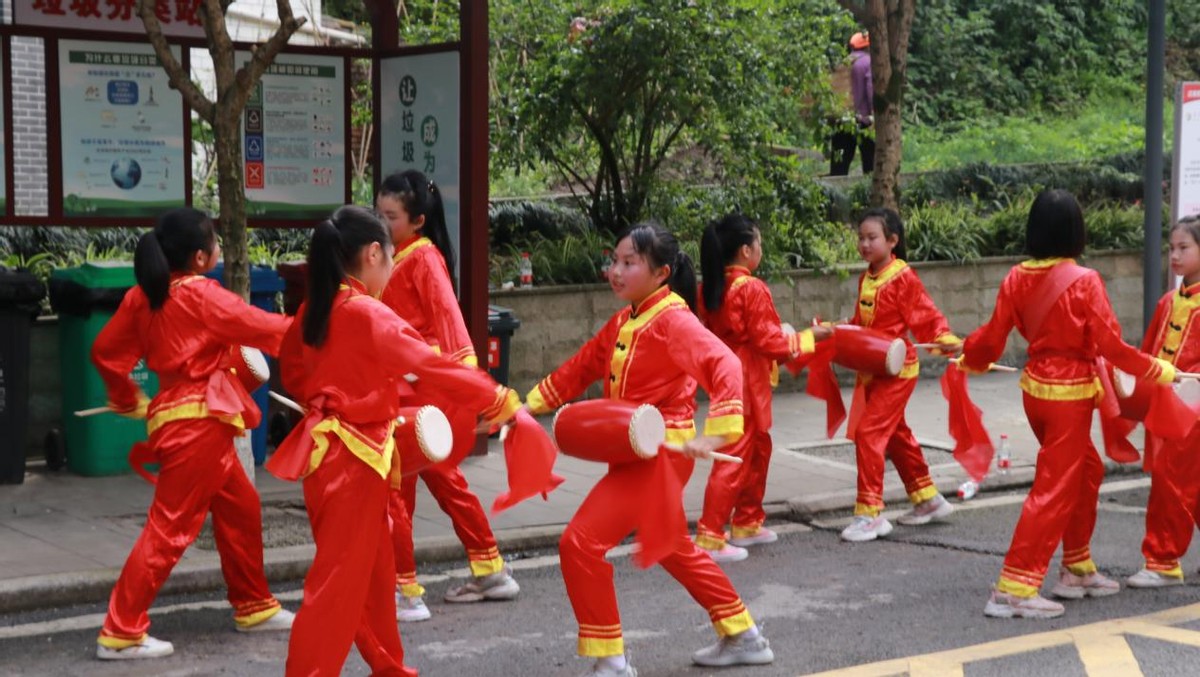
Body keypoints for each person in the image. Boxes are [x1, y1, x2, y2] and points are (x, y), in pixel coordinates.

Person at [267, 206, 520, 675]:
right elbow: (433, 365)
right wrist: (500, 398)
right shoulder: (366, 312)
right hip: (353, 466)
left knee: (375, 581)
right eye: (389, 258)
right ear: (372, 253)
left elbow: (296, 373)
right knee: (337, 591)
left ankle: (390, 669)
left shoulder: (315, 310)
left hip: (339, 460)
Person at [525, 222, 775, 676]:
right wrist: (525, 408)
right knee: (673, 546)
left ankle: (612, 662)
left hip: (660, 457)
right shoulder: (628, 318)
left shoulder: (673, 320)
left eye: (628, 263)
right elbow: (581, 367)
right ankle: (743, 633)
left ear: (660, 273)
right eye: (614, 260)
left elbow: (725, 364)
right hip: (636, 453)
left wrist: (716, 432)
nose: (615, 271)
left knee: (579, 544)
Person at [961, 189, 1177, 619]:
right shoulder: (1084, 280)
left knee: (1086, 472)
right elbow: (1109, 343)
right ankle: (1015, 587)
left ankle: (1076, 567)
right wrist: (1156, 369)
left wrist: (971, 356)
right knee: (1055, 486)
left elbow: (992, 335)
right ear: (1076, 230)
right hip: (1069, 397)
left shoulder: (1015, 277)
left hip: (1035, 392)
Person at [91, 208, 294, 660]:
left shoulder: (142, 298)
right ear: (201, 257)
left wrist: (125, 398)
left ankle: (254, 604)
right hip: (200, 426)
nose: (220, 249)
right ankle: (120, 630)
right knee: (168, 530)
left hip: (187, 421)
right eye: (216, 243)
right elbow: (263, 327)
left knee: (241, 509)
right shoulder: (203, 296)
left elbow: (105, 352)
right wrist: (326, 327)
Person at [375, 169, 519, 623]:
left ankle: (404, 590)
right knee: (439, 479)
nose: (382, 222)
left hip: (423, 391)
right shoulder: (402, 255)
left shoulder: (422, 259)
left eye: (390, 216)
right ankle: (490, 568)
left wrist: (472, 388)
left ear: (417, 219)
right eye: (378, 214)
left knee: (398, 482)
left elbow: (451, 326)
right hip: (416, 390)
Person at [694, 213, 829, 562]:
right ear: (745, 250)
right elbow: (771, 342)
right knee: (738, 455)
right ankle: (710, 535)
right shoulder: (751, 288)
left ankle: (748, 521)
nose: (761, 249)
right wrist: (808, 337)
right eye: (759, 243)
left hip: (726, 373)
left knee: (755, 449)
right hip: (747, 378)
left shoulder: (710, 288)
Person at [838, 208, 961, 542]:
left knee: (869, 434)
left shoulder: (902, 276)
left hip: (898, 369)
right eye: (861, 237)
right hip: (875, 368)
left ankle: (870, 514)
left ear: (892, 241)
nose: (864, 243)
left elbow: (925, 313)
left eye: (871, 237)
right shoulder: (868, 277)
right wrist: (839, 333)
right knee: (895, 435)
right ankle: (927, 499)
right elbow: (861, 323)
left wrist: (943, 335)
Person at [1128, 214, 1200, 588]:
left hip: (1191, 412)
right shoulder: (1167, 302)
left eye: (1183, 248)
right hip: (1166, 407)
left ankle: (1162, 561)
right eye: (1171, 248)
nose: (1174, 255)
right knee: (1181, 481)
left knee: (1171, 483)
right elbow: (1147, 352)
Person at [829, 31, 875, 176]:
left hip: (842, 121)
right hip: (864, 122)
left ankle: (833, 196)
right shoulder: (868, 63)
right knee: (871, 165)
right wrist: (875, 115)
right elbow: (871, 91)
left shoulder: (843, 64)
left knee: (838, 167)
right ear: (869, 46)